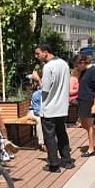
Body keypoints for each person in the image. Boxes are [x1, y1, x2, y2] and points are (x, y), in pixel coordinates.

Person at [34, 44, 74, 173]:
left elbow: (45, 88)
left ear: (46, 52)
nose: (37, 57)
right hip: (61, 106)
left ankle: (54, 163)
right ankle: (67, 160)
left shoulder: (48, 67)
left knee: (49, 136)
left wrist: (36, 79)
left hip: (49, 107)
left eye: (38, 53)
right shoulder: (63, 63)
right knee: (62, 133)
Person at [26, 87, 45, 151]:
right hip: (33, 112)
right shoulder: (37, 94)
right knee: (39, 120)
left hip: (43, 112)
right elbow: (37, 111)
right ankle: (42, 143)